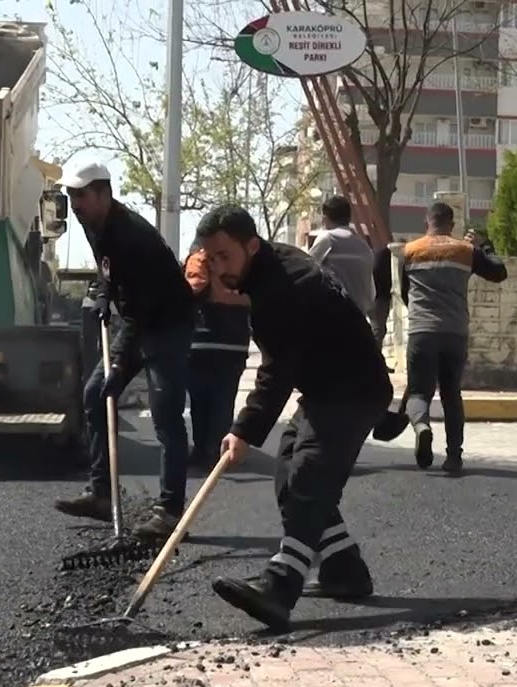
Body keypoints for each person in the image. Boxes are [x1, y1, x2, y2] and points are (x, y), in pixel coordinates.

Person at [195, 204, 392, 631]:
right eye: (211, 259)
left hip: (353, 390)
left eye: (224, 257)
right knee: (288, 473)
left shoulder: (282, 288)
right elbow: (282, 364)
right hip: (326, 388)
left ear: (251, 246)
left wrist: (243, 430)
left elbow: (276, 372)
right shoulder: (269, 271)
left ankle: (280, 586)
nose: (217, 267)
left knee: (308, 478)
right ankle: (344, 570)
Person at [52, 159, 195, 544]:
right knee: (94, 395)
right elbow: (108, 272)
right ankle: (101, 494)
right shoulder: (93, 224)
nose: (74, 202)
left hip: (168, 325)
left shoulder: (134, 237)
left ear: (104, 193)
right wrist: (101, 294)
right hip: (140, 319)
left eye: (80, 194)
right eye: (71, 194)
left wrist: (117, 360)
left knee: (166, 418)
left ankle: (169, 511)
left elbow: (141, 311)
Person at [401, 205, 508, 475]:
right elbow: (499, 273)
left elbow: (405, 293)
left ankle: (422, 426)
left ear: (427, 221)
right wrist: (483, 247)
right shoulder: (465, 251)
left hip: (422, 331)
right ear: (452, 223)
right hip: (455, 332)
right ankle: (454, 457)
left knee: (417, 392)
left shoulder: (411, 251)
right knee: (451, 394)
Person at [183, 237, 251, 470]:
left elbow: (194, 288)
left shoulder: (200, 257)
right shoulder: (244, 260)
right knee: (224, 398)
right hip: (236, 342)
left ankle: (201, 448)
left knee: (199, 400)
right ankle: (217, 450)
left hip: (203, 339)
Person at [307, 195, 375, 314]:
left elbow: (305, 267)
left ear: (325, 218)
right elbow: (371, 290)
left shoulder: (328, 238)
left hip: (333, 312)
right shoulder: (363, 245)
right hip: (360, 313)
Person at [369, 237, 393, 350]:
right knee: (378, 329)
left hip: (372, 295)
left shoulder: (377, 254)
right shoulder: (387, 256)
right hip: (379, 298)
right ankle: (373, 360)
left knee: (378, 329)